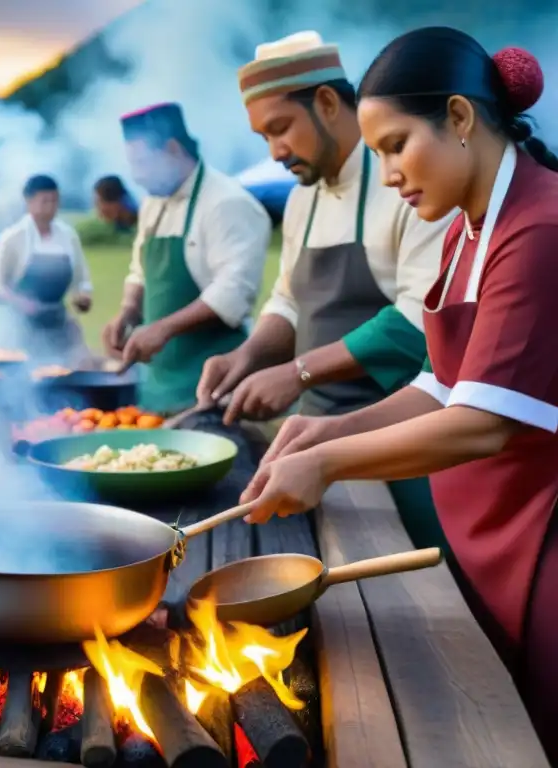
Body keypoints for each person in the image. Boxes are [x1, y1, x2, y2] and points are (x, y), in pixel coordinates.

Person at [240, 30, 558, 760]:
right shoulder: (467, 230)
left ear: (459, 118)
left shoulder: (539, 230)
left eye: (394, 145)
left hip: (541, 539)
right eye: (377, 152)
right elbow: (439, 384)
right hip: (489, 535)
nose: (385, 174)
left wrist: (328, 465)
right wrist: (326, 436)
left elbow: (483, 423)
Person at [198, 31, 452, 551]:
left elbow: (419, 322)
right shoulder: (301, 200)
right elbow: (287, 300)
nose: (275, 152)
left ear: (329, 102)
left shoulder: (410, 185)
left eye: (281, 129)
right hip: (311, 442)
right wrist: (246, 357)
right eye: (263, 138)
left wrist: (297, 371)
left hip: (397, 442)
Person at [102, 103, 271, 413]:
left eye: (142, 163)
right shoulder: (154, 202)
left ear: (172, 148)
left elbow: (233, 292)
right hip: (156, 387)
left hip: (211, 388)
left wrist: (163, 328)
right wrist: (127, 311)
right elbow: (139, 269)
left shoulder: (227, 203)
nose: (136, 177)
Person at [0, 174, 94, 366]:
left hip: (60, 329)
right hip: (21, 331)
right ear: (29, 201)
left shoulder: (68, 236)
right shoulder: (12, 238)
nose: (51, 207)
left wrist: (83, 297)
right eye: (45, 201)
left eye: (55, 201)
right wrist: (21, 302)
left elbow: (82, 281)